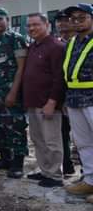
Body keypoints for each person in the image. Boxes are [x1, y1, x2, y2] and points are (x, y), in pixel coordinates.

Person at [0, 7, 28, 179]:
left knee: (15, 127)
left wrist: (13, 92)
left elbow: (21, 68)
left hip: (10, 92)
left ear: (7, 20)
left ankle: (17, 163)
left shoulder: (16, 39)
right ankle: (4, 158)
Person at [21, 13, 65, 187]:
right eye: (29, 25)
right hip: (33, 103)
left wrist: (52, 102)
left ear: (47, 25)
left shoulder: (56, 47)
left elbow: (59, 78)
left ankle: (55, 175)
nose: (32, 28)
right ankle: (45, 170)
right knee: (38, 139)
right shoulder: (33, 47)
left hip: (48, 104)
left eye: (36, 24)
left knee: (51, 140)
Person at [62, 3, 93, 203]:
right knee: (83, 143)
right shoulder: (72, 42)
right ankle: (90, 180)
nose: (76, 22)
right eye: (73, 18)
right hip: (74, 98)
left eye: (82, 17)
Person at [54, 10, 77, 176]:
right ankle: (67, 165)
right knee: (62, 132)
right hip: (62, 96)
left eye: (65, 20)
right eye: (59, 21)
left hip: (83, 96)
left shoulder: (81, 42)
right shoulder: (57, 44)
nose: (61, 24)